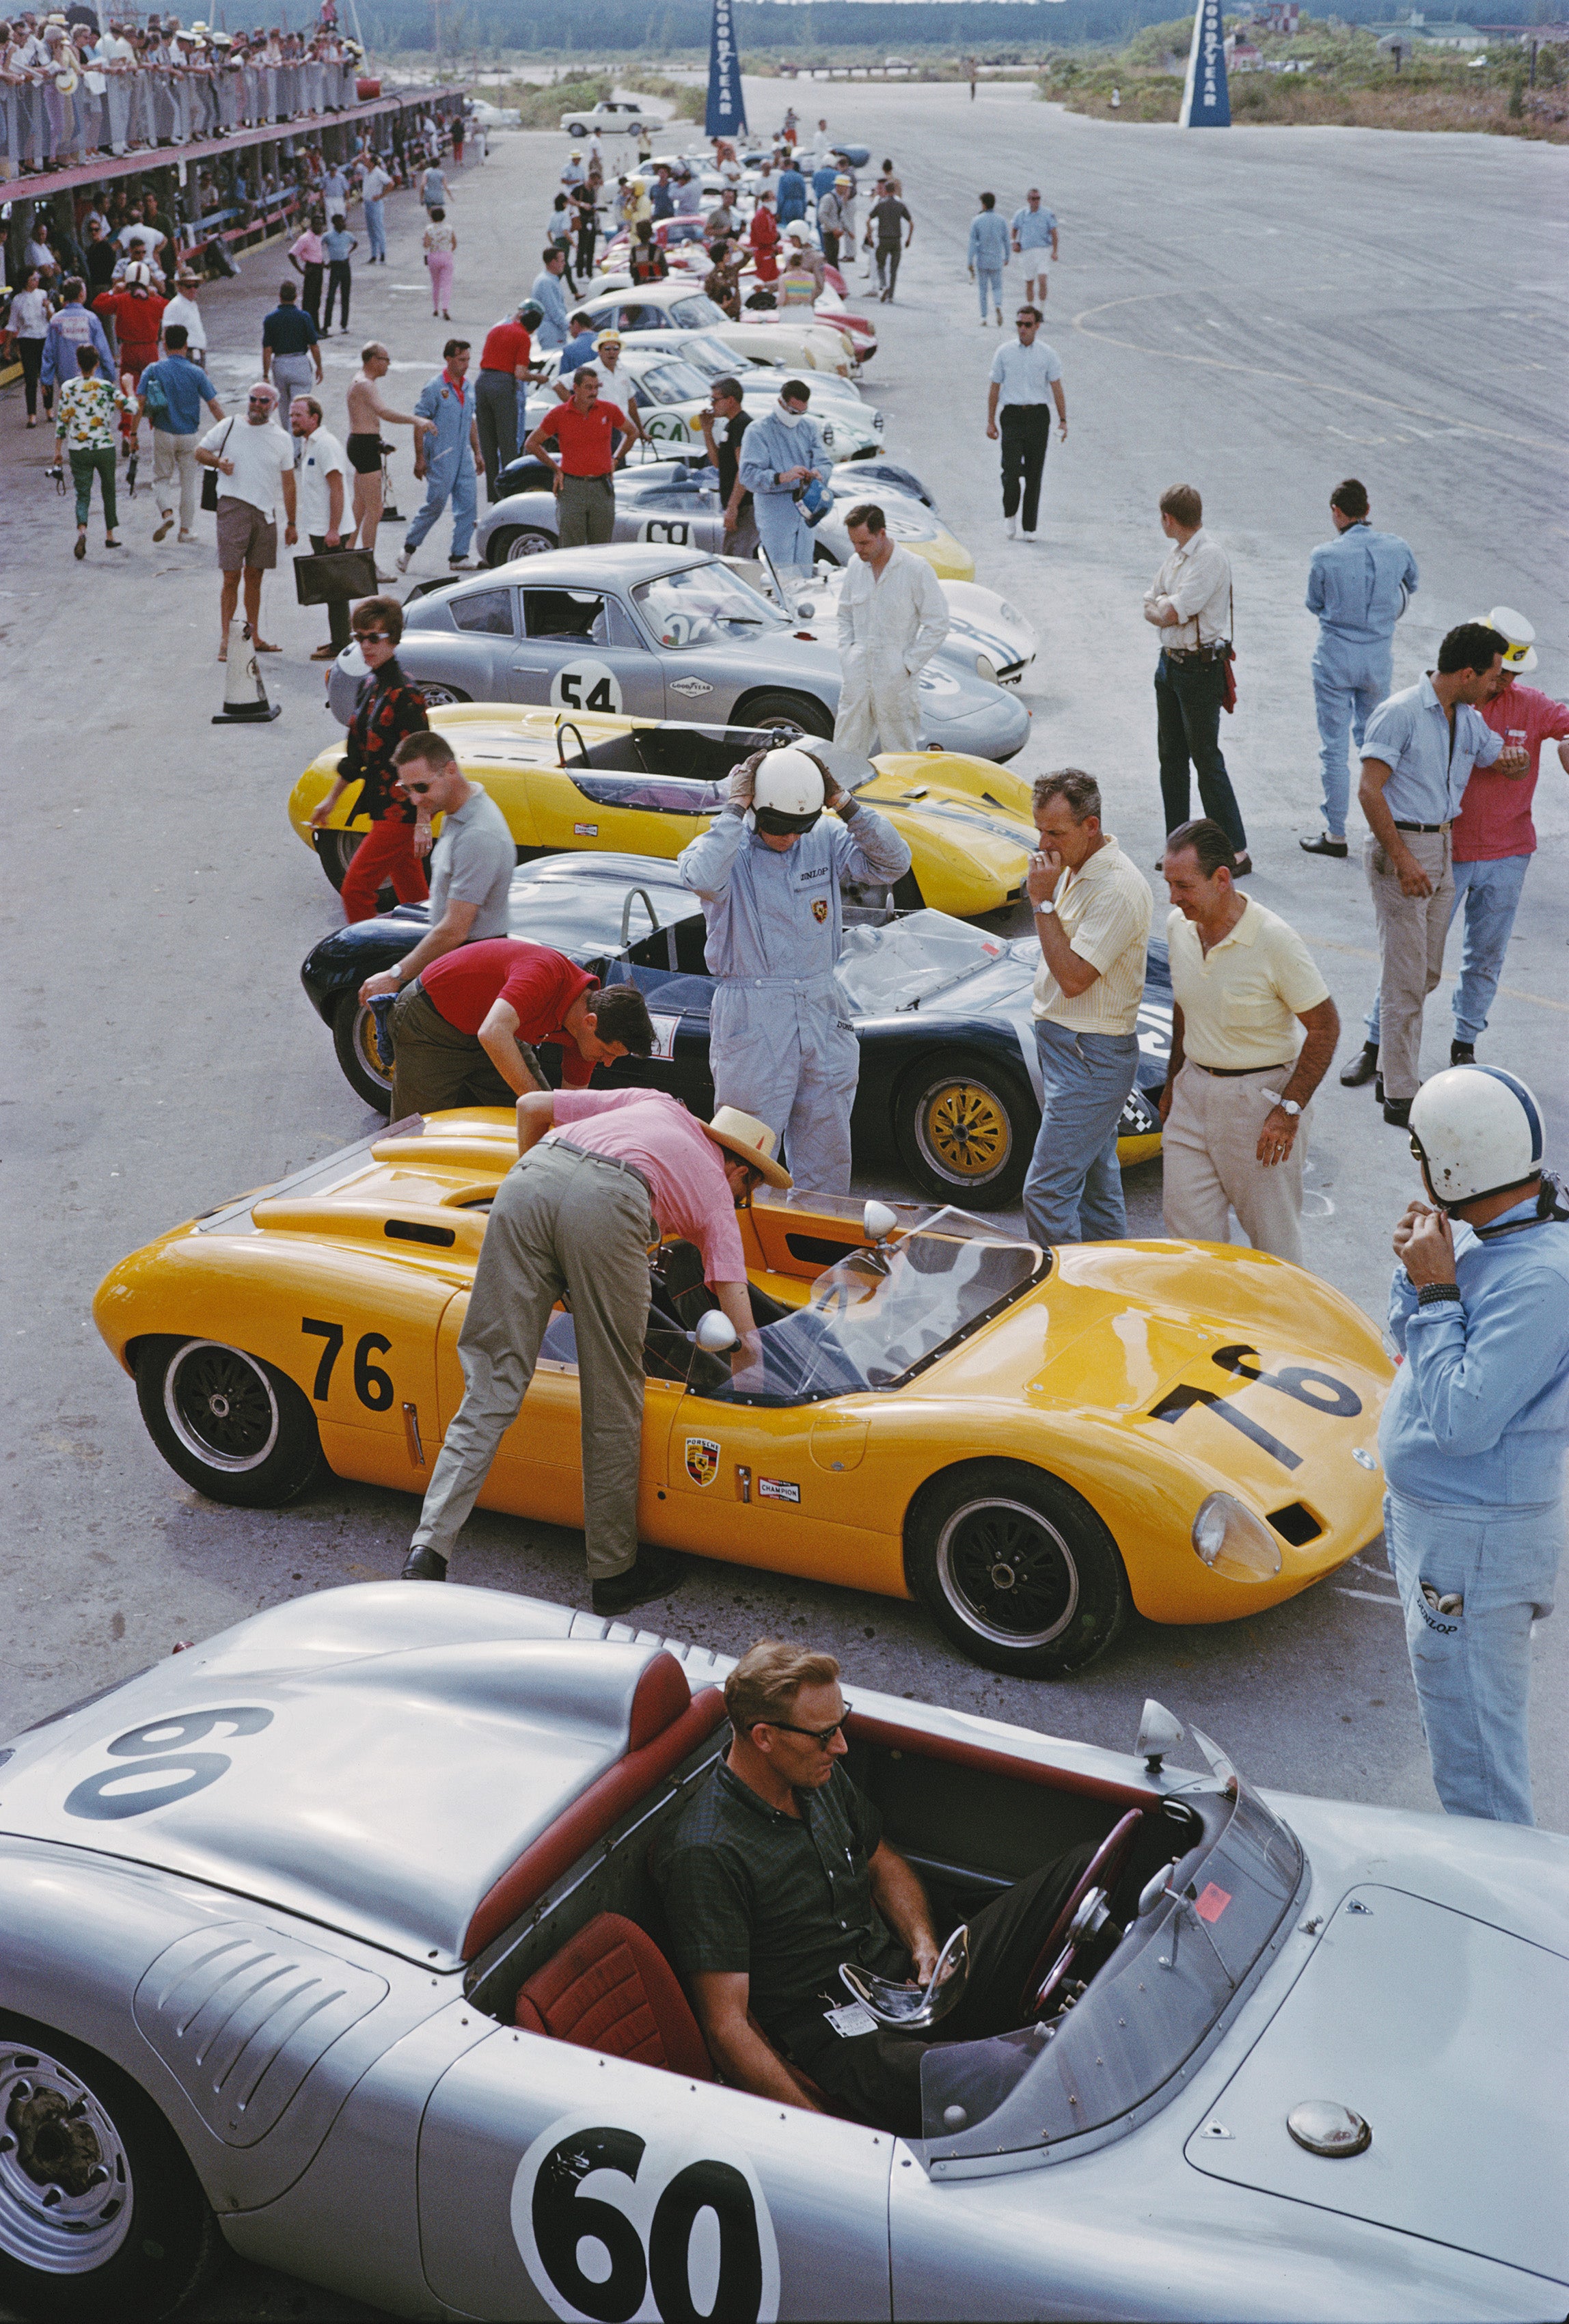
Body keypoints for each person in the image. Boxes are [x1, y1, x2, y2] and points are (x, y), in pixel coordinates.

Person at [650, 1639, 1096, 2133]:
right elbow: (727, 2028)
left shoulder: (818, 1777)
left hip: (905, 1984)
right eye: (824, 1736)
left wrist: (924, 1947)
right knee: (1018, 2074)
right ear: (764, 1737)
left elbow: (881, 1862)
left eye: (842, 1726)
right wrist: (816, 2132)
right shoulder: (708, 1853)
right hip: (844, 2043)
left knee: (1083, 1871)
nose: (840, 1747)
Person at [398, 1090, 784, 1610]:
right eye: (746, 1195)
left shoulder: (659, 1102)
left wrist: (546, 1235)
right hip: (612, 1204)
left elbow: (531, 1106)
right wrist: (751, 1375)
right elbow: (734, 1303)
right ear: (741, 1173)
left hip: (531, 1179)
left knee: (492, 1381)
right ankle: (614, 1573)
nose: (738, 1203)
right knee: (613, 1394)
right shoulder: (718, 1191)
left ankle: (428, 1548)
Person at [1382, 1065, 1569, 1827]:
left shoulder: (1540, 1278)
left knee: (1477, 1766)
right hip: (1436, 1524)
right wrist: (1418, 1282)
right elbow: (1411, 1348)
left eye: (1422, 1152)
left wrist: (1434, 1289)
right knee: (1451, 1720)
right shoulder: (1487, 1232)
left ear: (1455, 1163)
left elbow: (1460, 1422)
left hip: (1471, 1544)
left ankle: (1502, 1917)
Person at [677, 744, 910, 1195]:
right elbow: (702, 878)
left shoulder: (822, 837)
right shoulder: (726, 846)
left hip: (822, 1006)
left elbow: (893, 863)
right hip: (753, 1012)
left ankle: (820, 1246)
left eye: (798, 827)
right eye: (778, 826)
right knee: (746, 1152)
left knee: (828, 1146)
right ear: (755, 809)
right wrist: (733, 807)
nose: (789, 837)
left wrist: (845, 803)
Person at [1351, 623, 1515, 1128]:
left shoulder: (1463, 717)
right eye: (1491, 675)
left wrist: (1516, 759)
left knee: (1424, 972)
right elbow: (1369, 790)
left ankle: (1386, 1067)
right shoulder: (1400, 713)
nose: (1497, 684)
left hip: (1442, 845)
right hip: (1404, 847)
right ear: (1467, 673)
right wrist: (1402, 860)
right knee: (1405, 978)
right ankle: (1400, 1092)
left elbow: (1496, 757)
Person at [1158, 820, 1339, 1267]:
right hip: (1191, 1097)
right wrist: (1172, 1083)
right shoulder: (1180, 928)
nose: (1173, 898)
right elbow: (1186, 1007)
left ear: (1221, 879)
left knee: (1274, 1246)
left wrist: (1288, 1111)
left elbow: (1325, 1027)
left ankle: (1287, 1333)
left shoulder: (1275, 940)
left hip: (1258, 1107)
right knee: (1190, 1244)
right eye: (1168, 884)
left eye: (1183, 885)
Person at [1021, 769, 1153, 1248]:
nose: (1043, 844)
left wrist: (1042, 903)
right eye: (1040, 830)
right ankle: (1108, 1279)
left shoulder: (1115, 889)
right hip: (1071, 1051)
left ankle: (1067, 1295)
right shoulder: (1075, 866)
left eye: (1055, 832)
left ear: (1090, 827)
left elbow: (1075, 978)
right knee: (1097, 1186)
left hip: (1087, 1058)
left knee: (1045, 1193)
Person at [1445, 608, 1569, 1063]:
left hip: (1508, 854)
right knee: (1414, 958)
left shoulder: (1532, 704)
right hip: (1448, 850)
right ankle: (1377, 1041)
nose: (1503, 683)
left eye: (1511, 675)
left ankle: (1465, 1044)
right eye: (1499, 673)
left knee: (1485, 957)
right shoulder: (1450, 700)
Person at [383, 938, 655, 1120]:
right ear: (591, 1022)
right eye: (607, 1052)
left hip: (492, 1030)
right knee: (414, 1129)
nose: (606, 1063)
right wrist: (538, 1105)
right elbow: (492, 1033)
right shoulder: (545, 974)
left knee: (539, 1118)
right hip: (431, 1023)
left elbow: (568, 1109)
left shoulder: (585, 1035)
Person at [1302, 478, 1419, 860]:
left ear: (1338, 512)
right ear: (1367, 510)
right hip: (1377, 657)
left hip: (1335, 655)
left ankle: (1336, 833)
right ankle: (1383, 826)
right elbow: (1411, 585)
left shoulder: (1325, 555)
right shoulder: (1397, 547)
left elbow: (1314, 602)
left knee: (1333, 747)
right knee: (1376, 745)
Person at [357, 731, 517, 1010]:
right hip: (460, 959)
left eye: (421, 787)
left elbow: (455, 929)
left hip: (474, 970)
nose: (415, 799)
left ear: (450, 771)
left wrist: (395, 976)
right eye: (406, 789)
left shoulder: (478, 834)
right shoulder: (457, 812)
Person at [1145, 483, 1249, 870]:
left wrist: (1162, 607)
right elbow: (1151, 600)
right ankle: (1178, 847)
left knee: (1206, 758)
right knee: (1171, 758)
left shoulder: (1209, 558)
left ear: (1169, 518)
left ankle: (1236, 848)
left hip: (1199, 668)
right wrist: (1162, 606)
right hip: (1170, 665)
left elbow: (1170, 612)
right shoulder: (1176, 557)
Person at [310, 597, 433, 921]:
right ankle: (432, 961)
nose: (365, 646)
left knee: (356, 891)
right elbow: (355, 756)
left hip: (401, 813)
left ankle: (363, 959)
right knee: (417, 900)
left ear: (393, 638)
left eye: (374, 638)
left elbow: (423, 762)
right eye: (359, 637)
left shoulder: (407, 695)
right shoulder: (368, 685)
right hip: (381, 810)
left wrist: (422, 822)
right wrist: (330, 801)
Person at [833, 502, 950, 757]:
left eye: (864, 543)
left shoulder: (915, 569)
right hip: (857, 673)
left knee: (901, 753)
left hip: (895, 678)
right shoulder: (855, 565)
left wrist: (907, 665)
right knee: (845, 750)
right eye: (854, 543)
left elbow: (938, 623)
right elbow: (844, 615)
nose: (858, 550)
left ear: (882, 534)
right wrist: (847, 654)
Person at [195, 380, 297, 660]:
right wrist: (219, 463)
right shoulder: (229, 425)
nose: (257, 405)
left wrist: (292, 523)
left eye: (264, 401)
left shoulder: (282, 438)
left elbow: (289, 483)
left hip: (265, 514)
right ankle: (227, 640)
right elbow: (199, 451)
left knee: (255, 576)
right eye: (253, 398)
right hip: (232, 507)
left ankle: (254, 635)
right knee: (231, 576)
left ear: (274, 406)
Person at [524, 364, 638, 550]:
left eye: (596, 387)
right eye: (588, 387)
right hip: (571, 488)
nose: (594, 392)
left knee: (601, 549)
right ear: (575, 388)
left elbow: (632, 433)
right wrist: (555, 467)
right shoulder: (559, 414)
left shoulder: (608, 410)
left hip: (602, 488)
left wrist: (615, 460)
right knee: (571, 548)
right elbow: (532, 443)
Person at [346, 343, 436, 576]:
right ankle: (368, 567)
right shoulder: (365, 384)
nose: (389, 364)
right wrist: (417, 420)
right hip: (364, 447)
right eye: (386, 359)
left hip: (362, 443)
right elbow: (384, 412)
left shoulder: (362, 381)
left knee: (360, 505)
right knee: (375, 510)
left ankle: (347, 556)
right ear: (373, 360)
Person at [396, 338, 480, 575]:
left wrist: (478, 452)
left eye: (468, 360)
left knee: (468, 506)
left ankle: (459, 555)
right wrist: (420, 457)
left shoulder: (468, 387)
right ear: (449, 359)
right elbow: (419, 422)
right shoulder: (435, 388)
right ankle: (409, 548)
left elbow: (471, 421)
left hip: (462, 454)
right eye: (461, 360)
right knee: (435, 504)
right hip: (441, 456)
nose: (466, 364)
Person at [985, 303, 1065, 544]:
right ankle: (1010, 513)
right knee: (1010, 472)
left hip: (1038, 416)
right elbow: (994, 388)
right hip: (1011, 415)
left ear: (1037, 326)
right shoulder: (1004, 352)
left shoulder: (1048, 354)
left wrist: (1063, 420)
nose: (1023, 329)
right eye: (1019, 324)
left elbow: (1057, 388)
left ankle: (1029, 526)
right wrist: (990, 421)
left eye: (1027, 325)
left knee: (1034, 473)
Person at [739, 381, 831, 589]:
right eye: (792, 410)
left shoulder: (808, 427)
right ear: (781, 402)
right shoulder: (758, 431)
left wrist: (819, 473)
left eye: (802, 412)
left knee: (805, 572)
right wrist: (781, 477)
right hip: (775, 510)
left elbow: (824, 462)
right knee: (782, 574)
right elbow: (747, 475)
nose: (796, 416)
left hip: (806, 507)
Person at [137, 323, 222, 544]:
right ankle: (186, 531)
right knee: (188, 484)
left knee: (162, 479)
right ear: (186, 345)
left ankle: (167, 513)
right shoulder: (196, 372)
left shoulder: (153, 369)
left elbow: (140, 403)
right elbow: (214, 405)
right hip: (190, 436)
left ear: (164, 344)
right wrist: (229, 428)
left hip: (164, 431)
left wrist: (132, 433)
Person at [54, 344, 133, 559]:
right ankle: (110, 535)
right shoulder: (106, 387)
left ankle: (82, 530)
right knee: (109, 490)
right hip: (104, 446)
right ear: (97, 364)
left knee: (83, 494)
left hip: (79, 449)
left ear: (78, 363)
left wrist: (58, 452)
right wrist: (129, 388)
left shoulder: (68, 387)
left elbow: (62, 421)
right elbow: (131, 408)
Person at [289, 393, 351, 658]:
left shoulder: (326, 445)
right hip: (321, 529)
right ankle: (339, 639)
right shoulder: (309, 443)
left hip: (331, 531)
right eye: (291, 415)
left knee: (336, 590)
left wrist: (334, 529)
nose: (292, 419)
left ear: (314, 418)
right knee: (331, 588)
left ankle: (340, 645)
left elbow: (337, 489)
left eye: (298, 415)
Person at [475, 300, 538, 501]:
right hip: (503, 385)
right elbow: (520, 373)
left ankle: (494, 494)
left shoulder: (498, 330)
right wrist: (538, 377)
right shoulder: (523, 337)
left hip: (483, 382)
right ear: (534, 328)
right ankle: (510, 494)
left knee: (488, 443)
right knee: (508, 443)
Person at [696, 377, 756, 558]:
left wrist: (733, 507)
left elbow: (744, 469)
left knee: (735, 558)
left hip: (744, 507)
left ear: (730, 400)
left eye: (715, 400)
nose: (712, 404)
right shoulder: (730, 426)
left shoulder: (742, 425)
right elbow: (718, 464)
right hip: (737, 506)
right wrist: (707, 431)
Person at [40, 278, 115, 418]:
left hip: (66, 382)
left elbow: (48, 354)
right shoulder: (91, 318)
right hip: (93, 379)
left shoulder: (56, 320)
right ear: (81, 294)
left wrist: (46, 380)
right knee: (94, 418)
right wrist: (110, 375)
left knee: (75, 420)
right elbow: (103, 350)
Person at [261, 280, 322, 411]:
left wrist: (266, 374)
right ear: (296, 297)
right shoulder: (304, 317)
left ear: (280, 296)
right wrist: (319, 366)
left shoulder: (270, 319)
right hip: (300, 363)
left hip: (280, 364)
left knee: (284, 407)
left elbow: (267, 349)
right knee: (299, 408)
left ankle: (288, 432)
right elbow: (314, 346)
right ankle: (294, 432)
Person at [9, 268, 51, 429]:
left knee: (46, 376)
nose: (37, 281)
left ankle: (49, 409)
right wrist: (9, 347)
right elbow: (13, 324)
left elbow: (51, 318)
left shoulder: (43, 294)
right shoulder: (18, 300)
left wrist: (47, 307)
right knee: (31, 378)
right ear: (27, 280)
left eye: (37, 278)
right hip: (27, 339)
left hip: (43, 337)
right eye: (34, 278)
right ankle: (32, 414)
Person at [967, 191, 1009, 327]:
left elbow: (972, 243)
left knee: (983, 290)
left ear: (984, 204)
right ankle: (998, 305)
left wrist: (970, 261)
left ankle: (984, 317)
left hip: (982, 260)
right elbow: (1006, 241)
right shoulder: (1001, 220)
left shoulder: (977, 220)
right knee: (997, 287)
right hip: (996, 259)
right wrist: (1007, 256)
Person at [1011, 187, 1059, 305]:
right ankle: (1031, 308)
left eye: (1038, 198)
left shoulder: (1047, 214)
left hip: (1043, 250)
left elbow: (1054, 234)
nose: (1036, 201)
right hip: (1027, 251)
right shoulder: (1021, 214)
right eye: (1033, 199)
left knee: (1042, 279)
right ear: (1028, 200)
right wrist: (1014, 243)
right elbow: (1014, 230)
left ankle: (1042, 309)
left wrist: (1055, 251)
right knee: (1029, 281)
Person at [160, 266, 207, 364]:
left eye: (196, 286)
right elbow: (166, 333)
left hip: (197, 352)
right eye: (189, 286)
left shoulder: (192, 303)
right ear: (179, 287)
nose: (193, 289)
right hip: (186, 354)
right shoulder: (174, 305)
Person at [530, 246, 572, 351]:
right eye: (562, 261)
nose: (564, 264)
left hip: (555, 331)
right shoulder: (546, 282)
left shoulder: (551, 279)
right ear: (553, 262)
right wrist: (570, 327)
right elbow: (554, 311)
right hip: (551, 332)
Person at [321, 211, 357, 333]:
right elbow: (318, 246)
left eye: (343, 221)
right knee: (331, 296)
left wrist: (348, 253)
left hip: (345, 265)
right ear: (334, 224)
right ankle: (326, 325)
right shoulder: (328, 236)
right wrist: (324, 261)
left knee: (345, 296)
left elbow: (355, 243)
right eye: (340, 221)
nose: (343, 223)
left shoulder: (348, 235)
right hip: (335, 266)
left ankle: (344, 325)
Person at [288, 215, 326, 328]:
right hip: (311, 269)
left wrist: (323, 263)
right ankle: (308, 329)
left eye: (321, 224)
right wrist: (301, 271)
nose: (320, 227)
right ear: (312, 225)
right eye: (317, 224)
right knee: (309, 301)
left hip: (319, 269)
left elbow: (316, 253)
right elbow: (292, 254)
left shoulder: (318, 237)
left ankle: (316, 328)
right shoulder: (305, 238)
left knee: (316, 300)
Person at [422, 206, 456, 320]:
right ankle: (445, 308)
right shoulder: (449, 228)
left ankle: (436, 308)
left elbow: (426, 245)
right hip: (446, 255)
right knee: (447, 284)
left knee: (435, 284)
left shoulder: (429, 228)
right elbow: (454, 243)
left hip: (433, 256)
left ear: (431, 217)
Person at [361, 152, 390, 262]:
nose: (365, 162)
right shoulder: (365, 171)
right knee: (371, 230)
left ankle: (382, 253)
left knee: (378, 228)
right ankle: (373, 254)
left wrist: (381, 196)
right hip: (367, 202)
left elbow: (390, 183)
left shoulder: (378, 172)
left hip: (375, 203)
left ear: (372, 163)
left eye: (367, 160)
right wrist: (361, 156)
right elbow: (353, 164)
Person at [817, 173, 849, 269]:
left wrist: (847, 230)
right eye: (845, 187)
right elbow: (822, 215)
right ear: (839, 186)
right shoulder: (828, 198)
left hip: (835, 233)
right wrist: (833, 228)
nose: (847, 190)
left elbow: (840, 216)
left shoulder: (839, 199)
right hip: (829, 233)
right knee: (831, 260)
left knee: (834, 257)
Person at [775, 153, 807, 230]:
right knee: (798, 228)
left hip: (787, 205)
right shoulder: (800, 177)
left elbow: (781, 197)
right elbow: (804, 195)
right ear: (792, 165)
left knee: (787, 228)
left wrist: (778, 212)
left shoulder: (783, 177)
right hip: (799, 205)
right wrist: (804, 210)